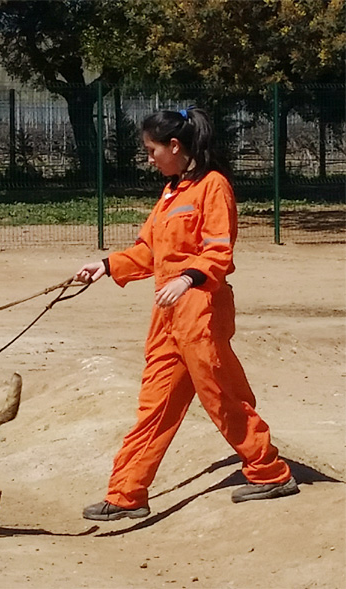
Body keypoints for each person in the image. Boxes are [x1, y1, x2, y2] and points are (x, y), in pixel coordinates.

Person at [74, 107, 298, 522]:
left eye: (151, 150)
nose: (149, 158)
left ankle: (269, 471)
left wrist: (189, 279)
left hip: (202, 310)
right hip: (167, 315)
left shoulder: (214, 188)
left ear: (175, 146)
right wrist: (106, 266)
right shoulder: (172, 192)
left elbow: (218, 249)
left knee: (221, 395)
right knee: (154, 404)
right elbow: (148, 251)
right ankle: (126, 494)